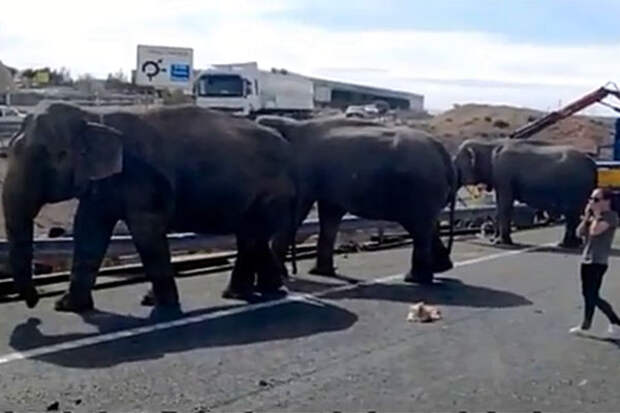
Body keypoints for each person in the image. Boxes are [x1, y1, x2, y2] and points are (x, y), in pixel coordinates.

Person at [570, 188, 620, 336]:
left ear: (607, 202)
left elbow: (595, 231)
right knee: (587, 294)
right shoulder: (592, 216)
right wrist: (586, 217)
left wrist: (596, 215)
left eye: (596, 200)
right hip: (586, 259)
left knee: (592, 295)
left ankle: (615, 321)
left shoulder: (611, 217)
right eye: (591, 199)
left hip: (598, 261)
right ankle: (586, 324)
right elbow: (579, 233)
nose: (592, 202)